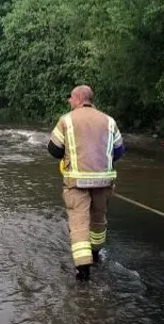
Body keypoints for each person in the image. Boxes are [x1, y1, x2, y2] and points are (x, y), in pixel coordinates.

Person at [47, 85, 125, 281]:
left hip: (76, 183)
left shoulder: (66, 120)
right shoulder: (109, 121)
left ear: (80, 99)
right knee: (98, 220)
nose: (69, 101)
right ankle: (97, 256)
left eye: (71, 98)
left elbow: (54, 150)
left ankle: (83, 272)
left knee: (79, 224)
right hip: (104, 182)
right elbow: (119, 151)